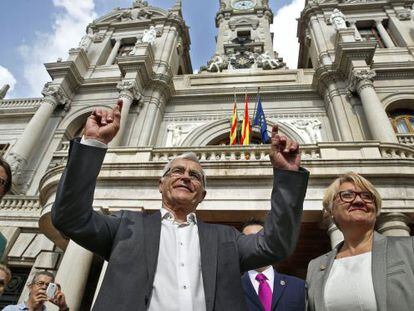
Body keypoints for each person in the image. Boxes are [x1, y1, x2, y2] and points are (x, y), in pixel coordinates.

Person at [51, 100, 309, 310]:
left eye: (195, 176)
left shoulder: (227, 240)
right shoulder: (125, 226)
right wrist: (93, 143)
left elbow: (276, 245)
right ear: (160, 184)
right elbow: (70, 217)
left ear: (202, 195)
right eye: (177, 172)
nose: (186, 176)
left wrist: (287, 177)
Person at [306, 172, 414, 311]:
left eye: (367, 196)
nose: (358, 201)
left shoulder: (408, 248)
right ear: (331, 210)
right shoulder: (316, 267)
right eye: (347, 195)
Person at [241, 220, 305, 311]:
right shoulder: (230, 289)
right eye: (249, 240)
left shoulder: (298, 286)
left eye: (261, 239)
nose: (255, 245)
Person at [2, 271, 68, 311]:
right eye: (40, 283)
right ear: (30, 287)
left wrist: (63, 307)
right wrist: (32, 308)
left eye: (48, 285)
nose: (44, 287)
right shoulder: (10, 309)